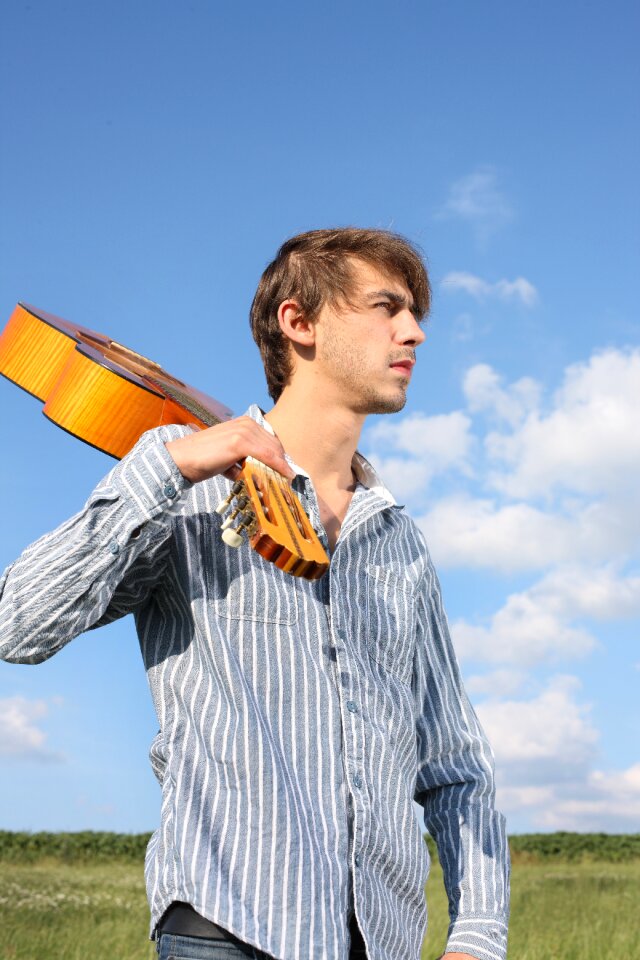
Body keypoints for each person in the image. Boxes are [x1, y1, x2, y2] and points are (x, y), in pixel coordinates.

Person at [0, 228, 510, 960]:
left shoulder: (401, 543)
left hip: (381, 941)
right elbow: (17, 625)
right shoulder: (190, 487)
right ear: (298, 323)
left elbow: (455, 764)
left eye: (415, 312)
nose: (414, 332)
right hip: (227, 929)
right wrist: (172, 463)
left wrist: (479, 935)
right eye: (386, 307)